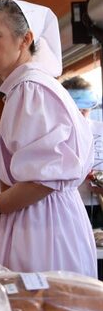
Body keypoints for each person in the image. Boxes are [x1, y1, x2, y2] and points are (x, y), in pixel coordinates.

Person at [0, 0, 95, 276]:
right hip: (39, 218)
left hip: (44, 225)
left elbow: (43, 180)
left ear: (25, 39)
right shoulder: (25, 89)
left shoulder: (32, 90)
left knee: (45, 307)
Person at [63, 76, 103, 229]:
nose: (80, 112)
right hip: (69, 205)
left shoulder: (101, 129)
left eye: (84, 109)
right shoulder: (57, 135)